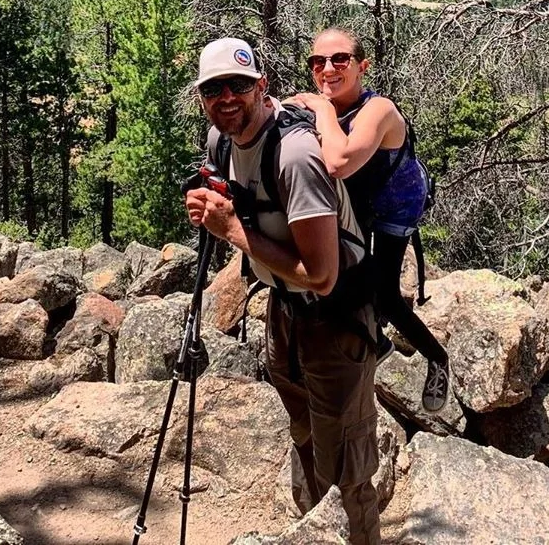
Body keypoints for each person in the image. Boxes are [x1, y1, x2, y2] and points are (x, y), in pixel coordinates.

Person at [184, 37, 381, 545]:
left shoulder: (295, 155)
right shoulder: (219, 141)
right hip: (284, 312)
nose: (226, 97)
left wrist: (230, 230)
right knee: (306, 442)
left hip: (336, 319)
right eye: (214, 89)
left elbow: (322, 275)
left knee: (344, 471)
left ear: (261, 87)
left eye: (239, 86)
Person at [288, 27, 450, 413]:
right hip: (360, 202)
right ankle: (375, 341)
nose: (327, 68)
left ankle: (437, 357)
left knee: (386, 296)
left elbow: (339, 162)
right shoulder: (324, 107)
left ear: (362, 67)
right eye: (318, 62)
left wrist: (322, 111)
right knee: (340, 274)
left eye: (339, 59)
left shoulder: (379, 110)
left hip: (395, 207)